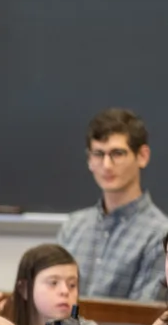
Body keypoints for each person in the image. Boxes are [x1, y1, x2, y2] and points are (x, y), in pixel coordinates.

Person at [58, 108, 168, 301]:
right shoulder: (72, 227)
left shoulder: (160, 235)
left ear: (142, 156)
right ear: (89, 160)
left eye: (117, 153)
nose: (107, 165)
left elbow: (140, 317)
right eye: (99, 154)